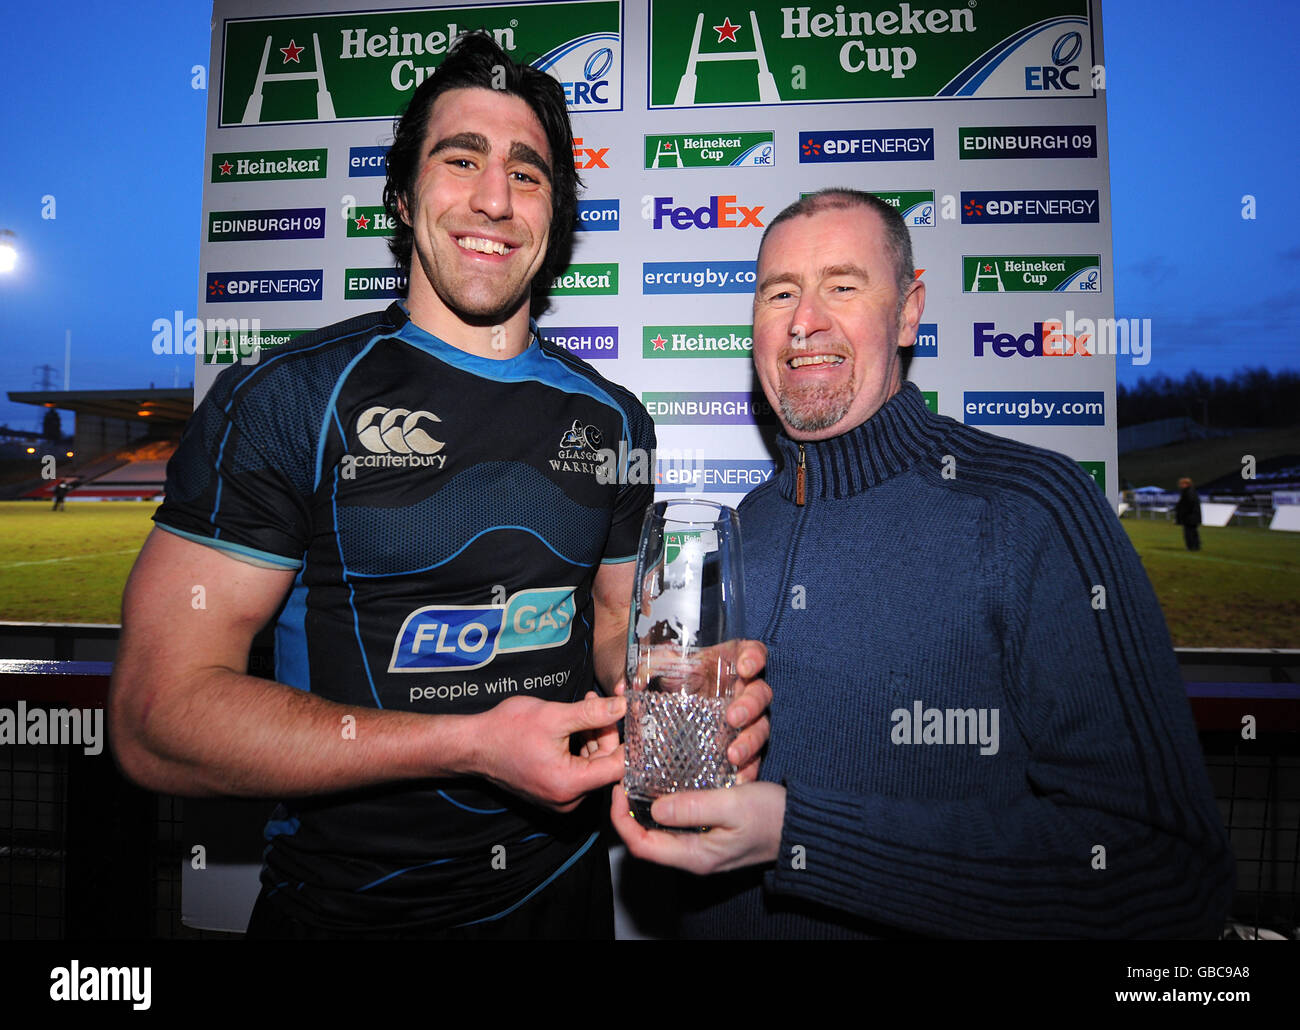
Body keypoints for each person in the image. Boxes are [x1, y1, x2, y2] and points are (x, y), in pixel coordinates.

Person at [109, 32, 768, 939]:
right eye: (462, 160)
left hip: (564, 904)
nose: (494, 199)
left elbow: (616, 630)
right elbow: (156, 717)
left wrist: (680, 694)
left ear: (558, 215)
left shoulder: (614, 421)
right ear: (401, 194)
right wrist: (468, 745)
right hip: (347, 916)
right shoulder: (287, 399)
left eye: (529, 174)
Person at [611, 188, 1235, 938]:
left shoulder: (1030, 509)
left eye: (843, 285)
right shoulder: (739, 531)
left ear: (909, 312)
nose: (805, 320)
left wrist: (802, 837)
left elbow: (1166, 872)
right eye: (781, 293)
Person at [1175, 477, 1202, 551]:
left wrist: (1183, 512)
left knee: (1189, 532)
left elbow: (1188, 504)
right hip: (1193, 515)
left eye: (1181, 484)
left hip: (1190, 516)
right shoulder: (1191, 491)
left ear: (1186, 484)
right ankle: (1195, 546)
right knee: (1193, 531)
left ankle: (1191, 546)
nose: (1180, 485)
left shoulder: (1188, 492)